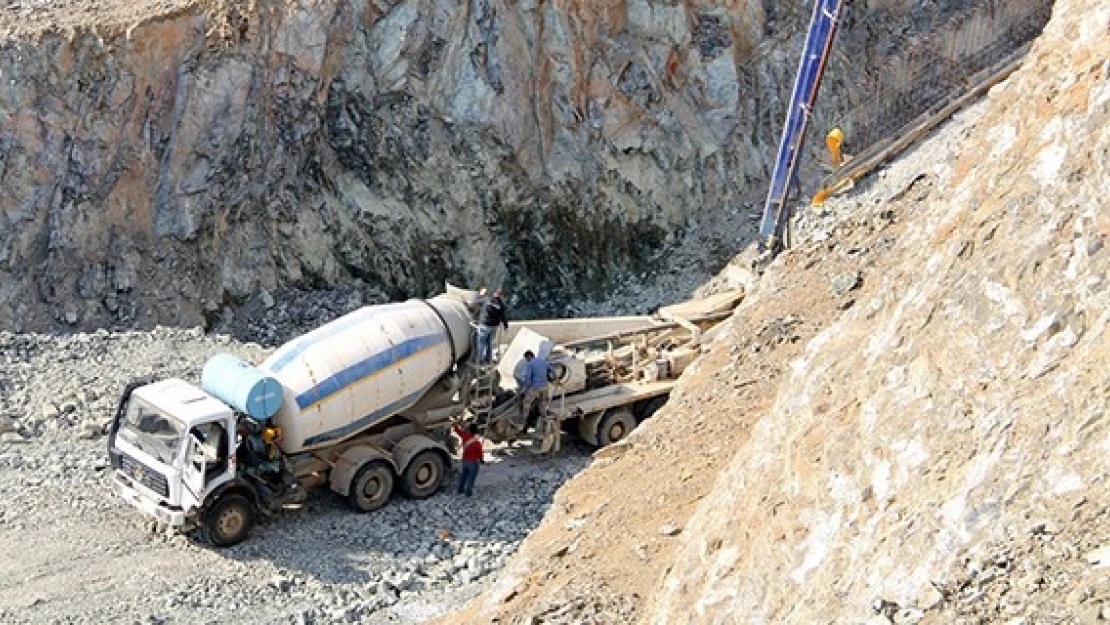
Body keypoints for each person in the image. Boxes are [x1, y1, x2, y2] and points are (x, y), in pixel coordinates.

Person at [520, 350, 552, 431]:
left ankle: (523, 419)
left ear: (529, 356)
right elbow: (552, 370)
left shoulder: (530, 364)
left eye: (526, 358)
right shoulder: (542, 361)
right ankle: (544, 418)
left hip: (535, 387)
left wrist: (524, 390)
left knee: (526, 402)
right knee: (542, 402)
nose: (526, 360)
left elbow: (528, 379)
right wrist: (555, 379)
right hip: (545, 386)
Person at [476, 289, 508, 364]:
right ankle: (488, 359)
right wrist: (505, 326)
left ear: (494, 293)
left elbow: (476, 301)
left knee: (481, 343)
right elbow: (503, 316)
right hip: (494, 326)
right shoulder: (501, 305)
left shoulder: (487, 300)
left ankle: (480, 360)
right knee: (489, 343)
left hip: (485, 325)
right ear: (501, 296)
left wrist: (480, 294)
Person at [453, 422, 484, 497]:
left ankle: (460, 490)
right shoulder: (477, 443)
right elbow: (479, 453)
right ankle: (468, 492)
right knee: (471, 478)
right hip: (473, 462)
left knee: (463, 476)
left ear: (469, 430)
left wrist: (455, 424)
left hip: (465, 460)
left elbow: (458, 431)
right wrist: (482, 460)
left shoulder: (464, 436)